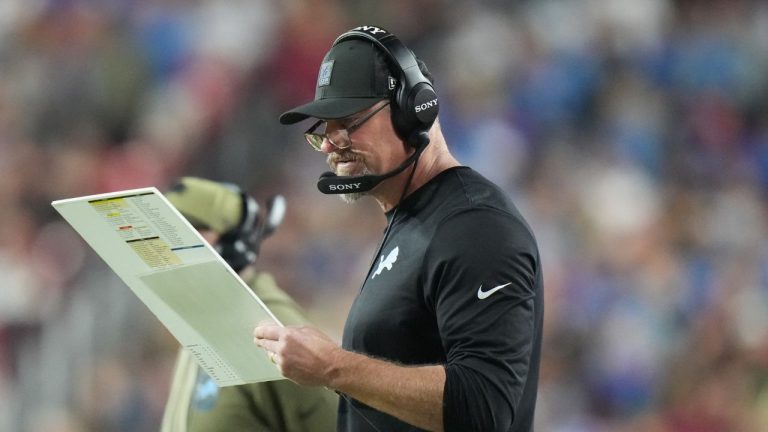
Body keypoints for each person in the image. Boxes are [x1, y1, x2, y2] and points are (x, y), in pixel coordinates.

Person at [253, 25, 543, 432]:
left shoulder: (475, 226)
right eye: (325, 129)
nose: (331, 145)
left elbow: (483, 408)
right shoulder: (414, 221)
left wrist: (333, 367)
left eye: (348, 121)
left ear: (414, 111)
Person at [160, 176, 338, 432]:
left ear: (232, 242)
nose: (167, 248)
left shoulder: (273, 326)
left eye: (184, 233)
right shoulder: (205, 316)